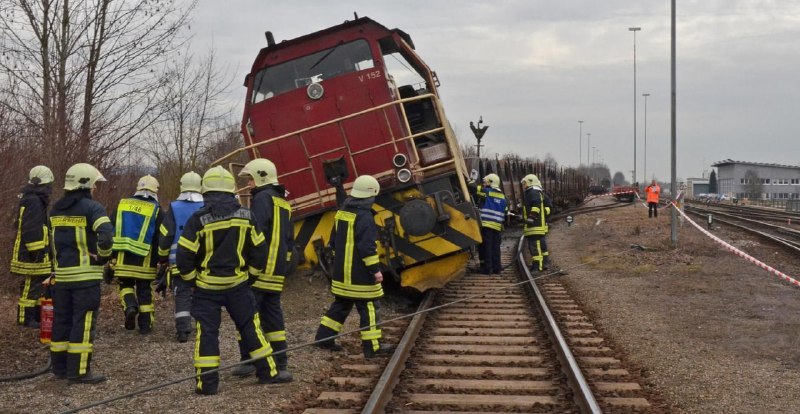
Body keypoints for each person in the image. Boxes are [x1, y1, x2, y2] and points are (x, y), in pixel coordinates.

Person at [176, 166, 284, 395]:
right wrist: (251, 275)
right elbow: (260, 251)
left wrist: (192, 280)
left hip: (206, 288)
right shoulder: (247, 215)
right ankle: (268, 373)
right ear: (231, 190)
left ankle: (207, 385)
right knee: (251, 328)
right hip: (238, 285)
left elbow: (184, 256)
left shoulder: (199, 219)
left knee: (207, 332)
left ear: (206, 190)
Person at [313, 175, 393, 358]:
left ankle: (324, 338)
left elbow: (333, 242)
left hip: (341, 274)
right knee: (371, 306)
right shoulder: (365, 217)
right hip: (359, 275)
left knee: (341, 304)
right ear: (371, 196)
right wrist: (375, 270)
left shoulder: (342, 213)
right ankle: (372, 347)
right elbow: (366, 247)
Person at [49, 163, 113, 384]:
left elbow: (52, 241)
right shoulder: (92, 208)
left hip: (63, 277)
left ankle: (59, 368)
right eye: (94, 183)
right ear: (86, 184)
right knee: (83, 323)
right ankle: (79, 372)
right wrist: (103, 257)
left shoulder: (56, 209)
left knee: (62, 321)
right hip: (86, 278)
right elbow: (106, 237)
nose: (96, 187)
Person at [232, 159, 294, 381]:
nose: (248, 184)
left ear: (260, 177)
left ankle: (249, 361)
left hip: (259, 271)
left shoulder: (261, 199)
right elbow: (289, 239)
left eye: (250, 179)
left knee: (247, 316)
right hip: (276, 271)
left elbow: (255, 234)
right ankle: (281, 361)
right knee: (273, 318)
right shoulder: (282, 202)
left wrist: (246, 263)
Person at [109, 175, 163, 334]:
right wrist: (162, 259)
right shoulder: (157, 209)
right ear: (155, 190)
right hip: (146, 260)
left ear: (138, 188)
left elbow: (110, 229)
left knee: (124, 285)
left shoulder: (122, 205)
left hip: (123, 258)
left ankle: (130, 306)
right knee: (145, 290)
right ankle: (146, 326)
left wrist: (110, 256)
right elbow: (162, 235)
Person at [157, 171, 204, 343]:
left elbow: (166, 235)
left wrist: (162, 258)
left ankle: (183, 331)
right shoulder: (207, 206)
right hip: (202, 261)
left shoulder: (174, 208)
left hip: (178, 262)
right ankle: (204, 326)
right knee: (202, 293)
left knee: (182, 293)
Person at [12, 166, 55, 328]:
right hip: (31, 254)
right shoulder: (34, 201)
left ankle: (35, 316)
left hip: (34, 252)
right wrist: (38, 251)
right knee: (30, 285)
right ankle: (25, 319)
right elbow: (32, 229)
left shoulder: (33, 199)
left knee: (37, 285)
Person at [474, 173, 507, 274]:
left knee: (486, 247)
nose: (484, 183)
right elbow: (505, 210)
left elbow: (475, 191)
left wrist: (472, 181)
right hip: (497, 226)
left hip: (487, 224)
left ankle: (487, 268)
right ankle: (497, 268)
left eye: (486, 181)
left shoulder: (486, 192)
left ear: (490, 182)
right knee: (496, 247)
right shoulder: (502, 196)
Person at [521, 174, 552, 272]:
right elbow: (548, 207)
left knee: (535, 246)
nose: (523, 185)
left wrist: (531, 217)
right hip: (539, 224)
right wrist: (544, 215)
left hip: (535, 225)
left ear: (530, 182)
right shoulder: (539, 192)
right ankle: (544, 263)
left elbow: (536, 206)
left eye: (524, 183)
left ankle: (537, 266)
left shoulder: (532, 192)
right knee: (541, 245)